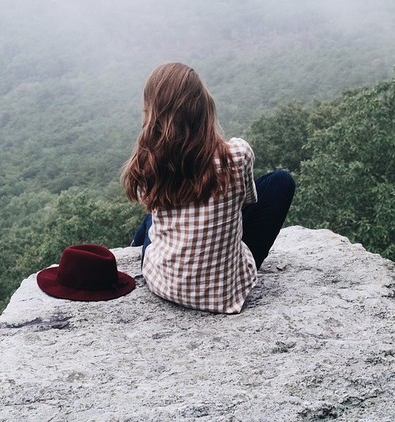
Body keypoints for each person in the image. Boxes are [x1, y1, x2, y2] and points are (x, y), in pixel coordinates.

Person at [121, 62, 295, 314]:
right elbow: (246, 202)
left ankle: (133, 247)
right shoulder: (238, 154)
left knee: (151, 220)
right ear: (204, 106)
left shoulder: (150, 163)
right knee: (281, 181)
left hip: (164, 284)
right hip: (225, 294)